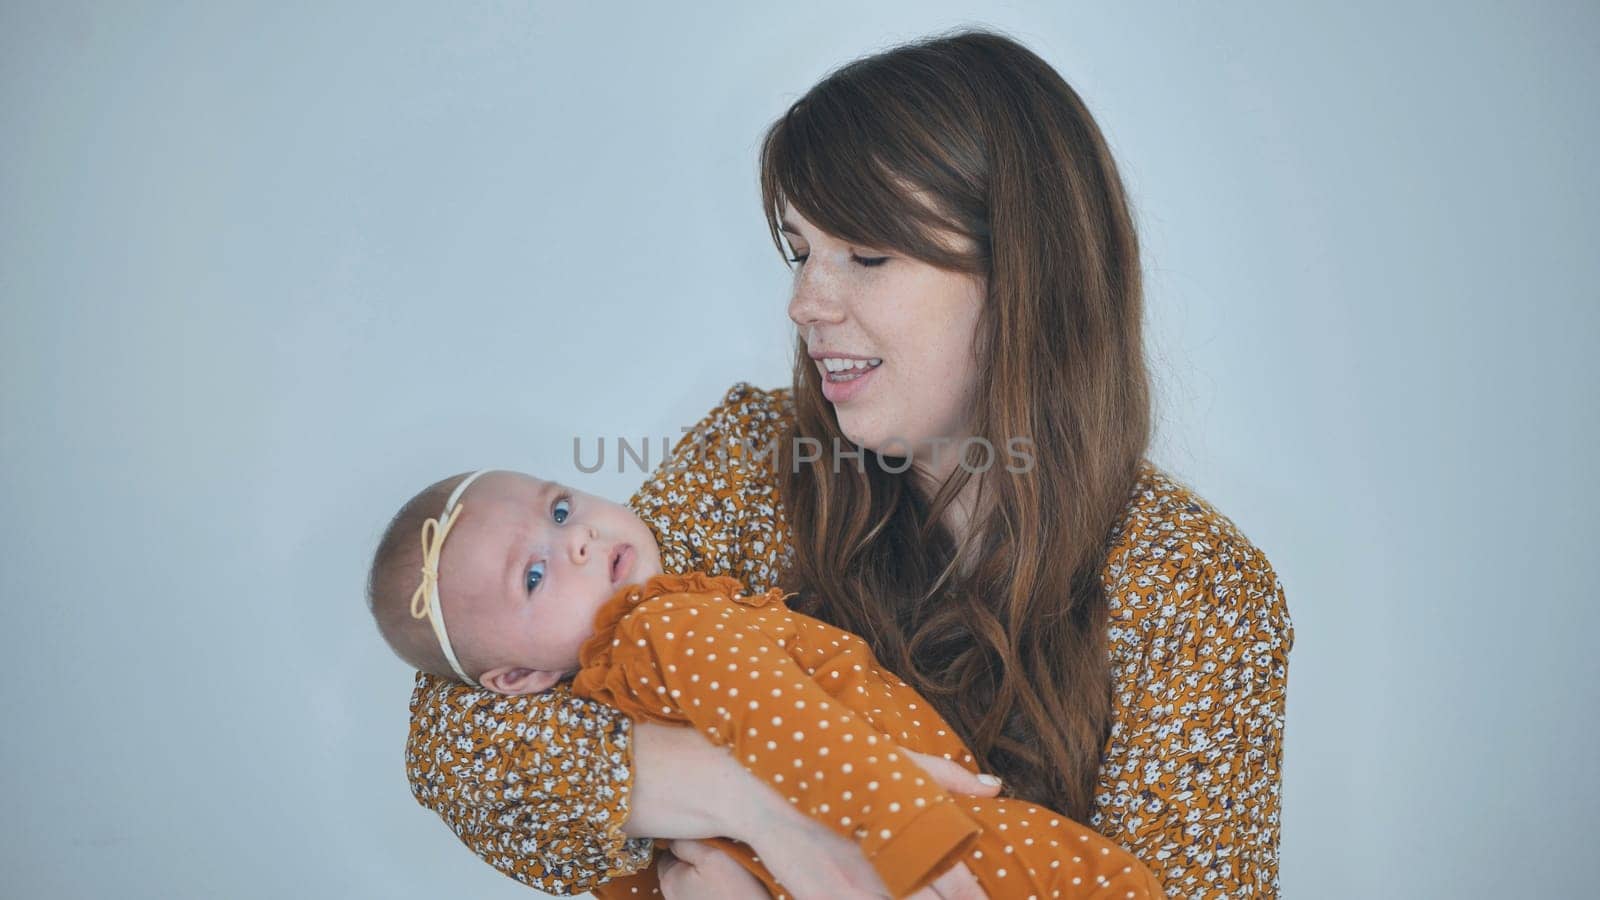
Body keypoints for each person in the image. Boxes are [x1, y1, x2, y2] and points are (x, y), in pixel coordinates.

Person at [398, 28, 1294, 899]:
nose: (803, 303)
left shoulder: (1200, 594)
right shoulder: (752, 460)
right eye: (799, 251)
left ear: (1027, 272)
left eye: (866, 255)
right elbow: (463, 721)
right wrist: (764, 804)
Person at [368, 468, 1167, 898]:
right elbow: (799, 730)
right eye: (535, 575)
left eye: (561, 507)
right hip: (940, 843)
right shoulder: (663, 627)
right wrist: (911, 842)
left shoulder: (618, 708)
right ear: (515, 679)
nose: (576, 541)